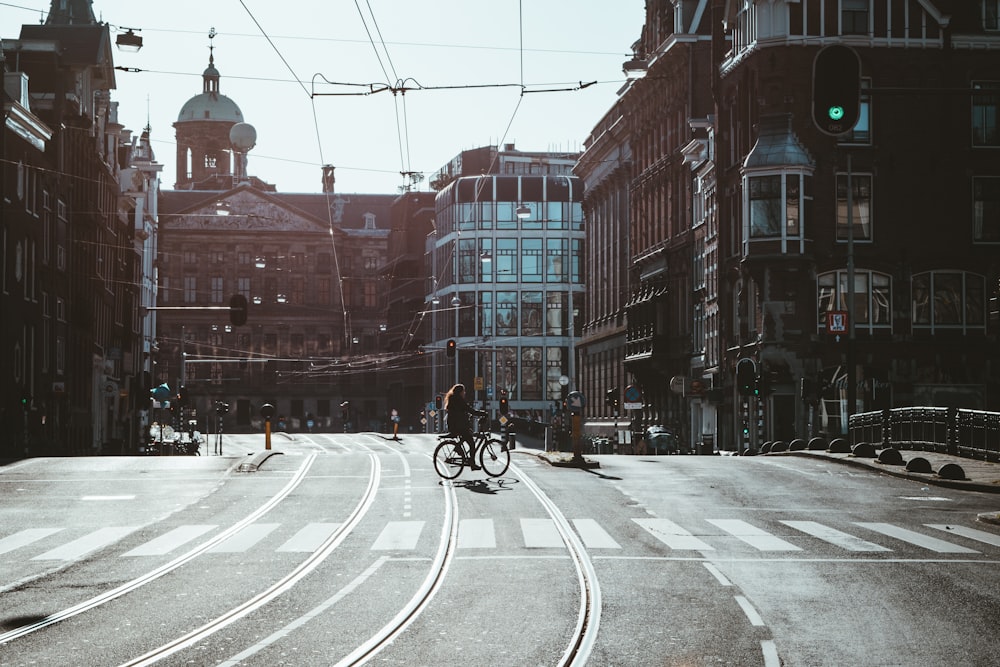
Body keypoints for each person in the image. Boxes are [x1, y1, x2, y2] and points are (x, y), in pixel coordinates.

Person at [444, 383, 488, 470]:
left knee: (468, 435)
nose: (464, 393)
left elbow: (462, 411)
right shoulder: (459, 400)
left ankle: (458, 448)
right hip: (458, 426)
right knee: (472, 444)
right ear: (460, 392)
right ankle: (472, 464)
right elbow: (469, 410)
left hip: (455, 425)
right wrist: (482, 413)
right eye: (463, 391)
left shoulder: (453, 399)